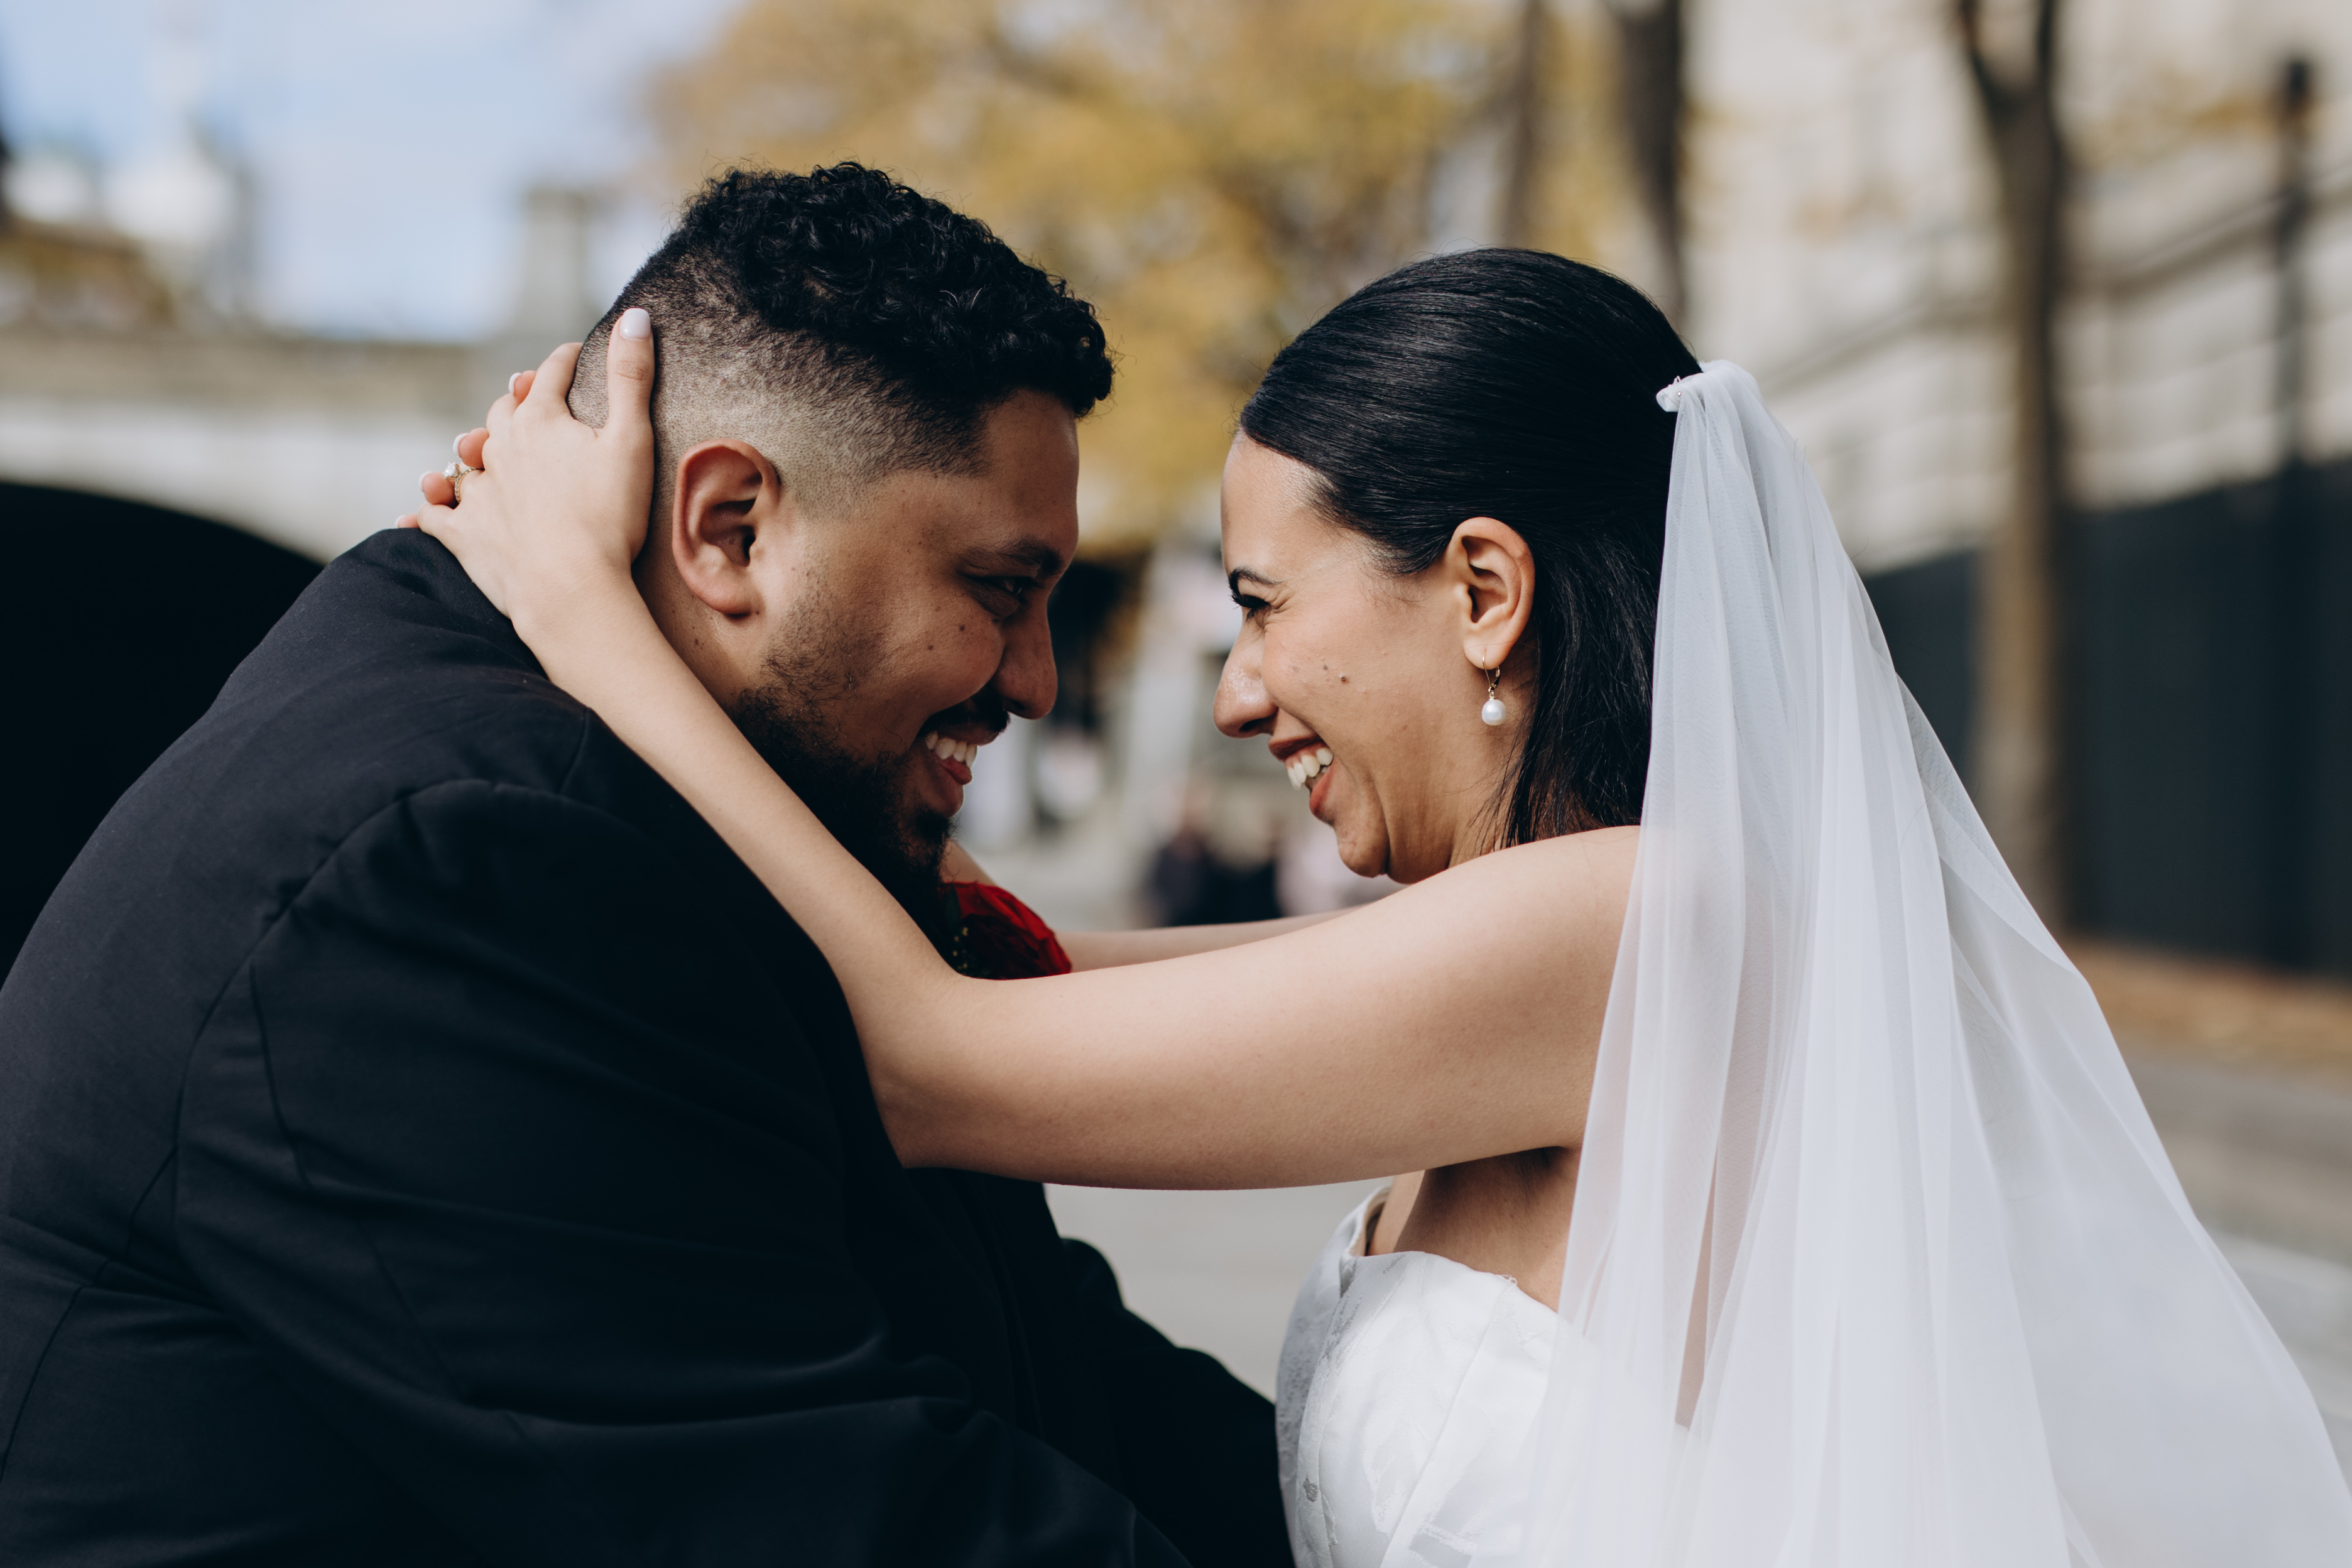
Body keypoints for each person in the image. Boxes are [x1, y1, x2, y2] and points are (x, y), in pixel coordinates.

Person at [419, 241, 2352, 1565]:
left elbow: (938, 1061)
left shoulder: (1652, 924)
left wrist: (588, 616)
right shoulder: (1546, 937)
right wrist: (781, 680)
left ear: (1484, 593)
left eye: (1264, 610)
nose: (1238, 693)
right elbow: (1001, 963)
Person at [0, 165, 1295, 1565]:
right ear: (728, 526)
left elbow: (1037, 1348)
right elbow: (831, 1507)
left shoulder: (614, 790)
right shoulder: (454, 855)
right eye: (998, 590)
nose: (1036, 681)